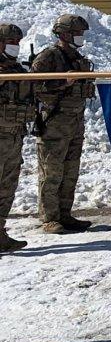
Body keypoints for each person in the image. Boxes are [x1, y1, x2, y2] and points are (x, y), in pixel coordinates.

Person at [31, 14, 96, 234]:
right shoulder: (49, 56)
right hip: (54, 123)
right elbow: (34, 87)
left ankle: (65, 214)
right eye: (77, 33)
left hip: (75, 122)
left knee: (70, 171)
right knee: (51, 172)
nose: (80, 37)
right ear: (64, 34)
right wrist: (63, 82)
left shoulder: (78, 57)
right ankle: (49, 218)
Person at [0, 23, 36, 251]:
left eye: (17, 42)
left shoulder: (17, 70)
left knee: (7, 187)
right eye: (10, 42)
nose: (15, 46)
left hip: (13, 137)